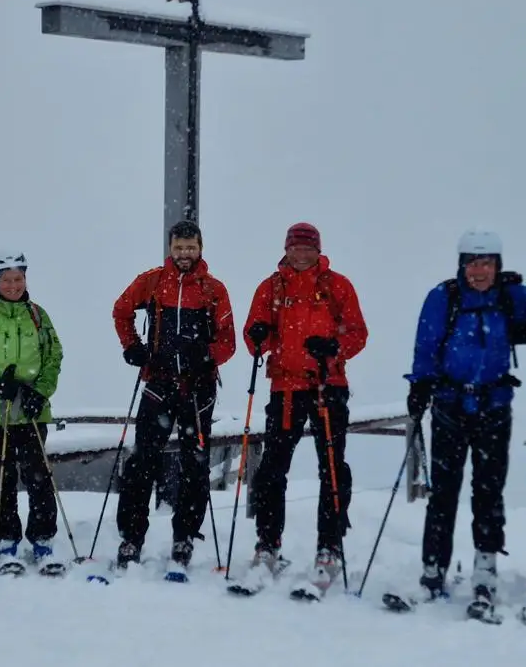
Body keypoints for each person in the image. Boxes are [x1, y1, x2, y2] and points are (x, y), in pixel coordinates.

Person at [403, 229, 526, 610]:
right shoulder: (443, 297)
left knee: (488, 492)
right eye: (472, 263)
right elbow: (426, 343)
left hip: (494, 407)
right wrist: (420, 385)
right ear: (461, 264)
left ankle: (485, 569)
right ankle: (432, 571)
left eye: (486, 263)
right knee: (443, 494)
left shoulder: (512, 297)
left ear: (498, 265)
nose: (479, 271)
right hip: (449, 406)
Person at [236, 222, 369, 596]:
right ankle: (267, 545)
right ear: (287, 249)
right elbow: (252, 333)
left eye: (307, 248)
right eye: (295, 248)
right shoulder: (271, 286)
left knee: (331, 467)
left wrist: (333, 348)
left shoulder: (336, 285)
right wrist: (259, 335)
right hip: (285, 387)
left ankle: (329, 547)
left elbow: (357, 331)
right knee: (273, 468)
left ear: (317, 249)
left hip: (328, 385)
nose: (301, 254)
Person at [109, 219, 237, 576]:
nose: (185, 254)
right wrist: (133, 346)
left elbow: (228, 340)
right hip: (158, 383)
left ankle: (184, 536)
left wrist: (207, 355)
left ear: (200, 248)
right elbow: (121, 310)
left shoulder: (214, 289)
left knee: (195, 464)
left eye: (191, 247)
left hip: (198, 387)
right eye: (179, 248)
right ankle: (131, 537)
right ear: (171, 248)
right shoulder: (151, 282)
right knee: (141, 462)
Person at [0, 249, 66, 575]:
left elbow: (54, 356)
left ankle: (43, 539)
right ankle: (6, 540)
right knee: (2, 477)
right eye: (6, 280)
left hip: (33, 410)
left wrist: (40, 391)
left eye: (18, 279)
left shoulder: (38, 315)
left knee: (39, 476)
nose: (13, 285)